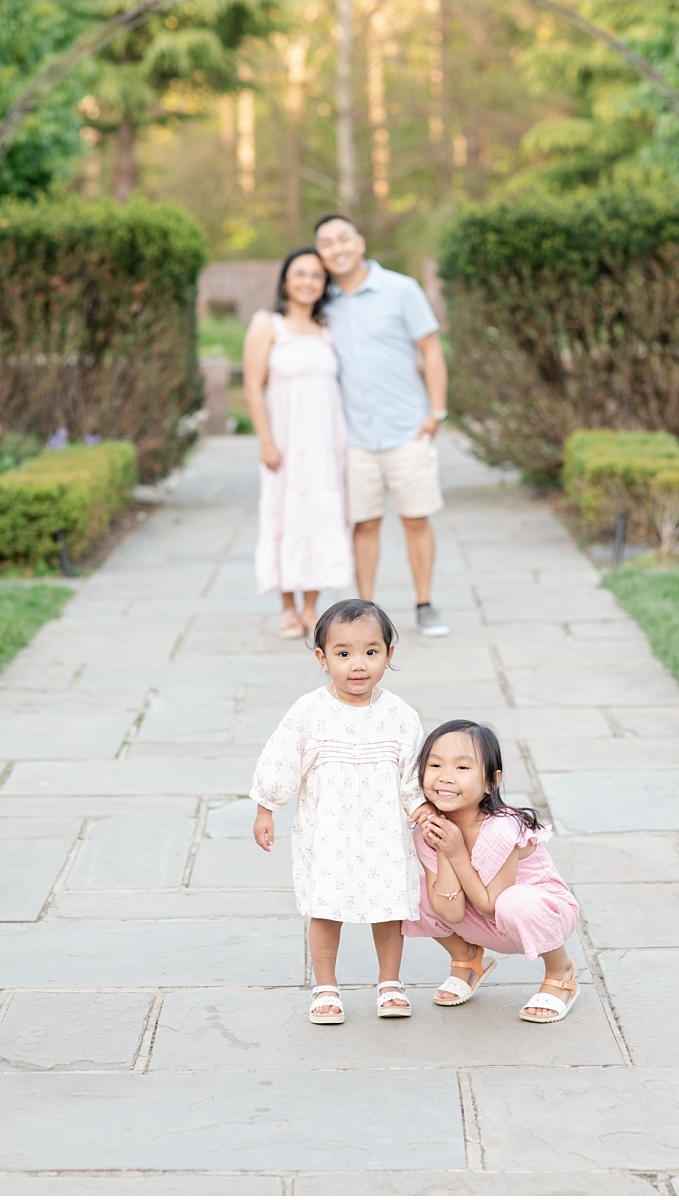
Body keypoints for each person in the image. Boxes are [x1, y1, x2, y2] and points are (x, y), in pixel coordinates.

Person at [250, 599, 437, 1022]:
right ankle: (325, 986)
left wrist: (424, 810)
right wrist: (267, 807)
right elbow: (282, 758)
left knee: (390, 908)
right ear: (322, 658)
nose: (359, 664)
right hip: (328, 832)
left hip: (385, 832)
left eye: (371, 652)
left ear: (390, 654)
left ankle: (390, 983)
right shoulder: (309, 712)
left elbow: (413, 774)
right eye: (344, 653)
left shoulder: (401, 716)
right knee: (325, 907)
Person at [313, 214, 451, 637]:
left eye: (343, 238)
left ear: (360, 241)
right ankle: (362, 614)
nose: (337, 248)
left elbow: (430, 350)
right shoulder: (324, 302)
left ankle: (424, 604)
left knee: (415, 520)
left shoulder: (400, 289)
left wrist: (436, 414)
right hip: (354, 438)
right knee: (365, 524)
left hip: (407, 430)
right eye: (326, 243)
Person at [402, 720, 582, 1023]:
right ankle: (468, 958)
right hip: (479, 919)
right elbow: (450, 911)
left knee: (513, 902)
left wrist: (456, 851)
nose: (445, 777)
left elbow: (490, 905)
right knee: (405, 893)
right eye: (435, 765)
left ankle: (560, 970)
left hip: (537, 915)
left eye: (462, 768)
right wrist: (446, 849)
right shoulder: (428, 832)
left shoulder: (502, 827)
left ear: (491, 781)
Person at [242, 248, 354, 639]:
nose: (308, 282)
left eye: (316, 276)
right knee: (284, 518)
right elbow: (253, 387)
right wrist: (266, 442)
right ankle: (287, 608)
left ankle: (311, 607)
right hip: (286, 443)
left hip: (326, 444)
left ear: (324, 285)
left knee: (321, 518)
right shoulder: (269, 324)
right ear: (286, 280)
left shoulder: (327, 328)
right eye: (300, 274)